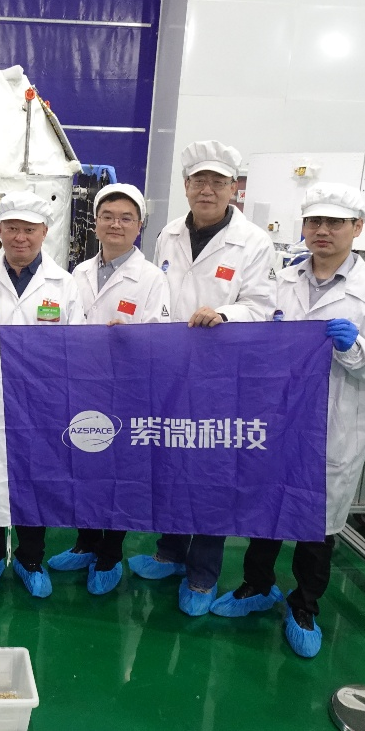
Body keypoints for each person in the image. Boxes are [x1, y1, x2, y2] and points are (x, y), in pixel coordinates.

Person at [209, 183, 365, 657]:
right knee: (267, 507)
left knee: (317, 522)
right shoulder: (281, 282)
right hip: (277, 419)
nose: (323, 231)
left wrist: (355, 347)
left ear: (357, 228)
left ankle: (304, 605)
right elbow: (253, 330)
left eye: (335, 223)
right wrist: (223, 318)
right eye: (315, 221)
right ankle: (257, 586)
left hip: (335, 424)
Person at [126, 140, 275, 616]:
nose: (207, 190)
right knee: (169, 461)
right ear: (186, 186)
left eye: (218, 182)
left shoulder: (255, 243)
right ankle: (169, 552)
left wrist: (225, 314)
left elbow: (262, 307)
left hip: (221, 376)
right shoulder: (168, 233)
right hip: (170, 369)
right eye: (199, 181)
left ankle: (203, 573)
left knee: (211, 471)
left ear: (234, 188)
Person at [0, 190, 87, 599]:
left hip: (41, 404)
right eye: (12, 228)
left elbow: (79, 344)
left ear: (45, 232)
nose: (20, 237)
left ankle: (31, 560)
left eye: (29, 229)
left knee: (34, 482)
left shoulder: (64, 285)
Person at [47, 183, 170, 595]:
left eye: (126, 218)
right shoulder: (78, 273)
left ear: (139, 226)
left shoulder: (152, 278)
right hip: (81, 384)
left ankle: (110, 553)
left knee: (118, 472)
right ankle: (86, 543)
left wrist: (131, 335)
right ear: (95, 223)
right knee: (83, 466)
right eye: (108, 217)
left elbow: (161, 334)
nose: (116, 224)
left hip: (127, 389)